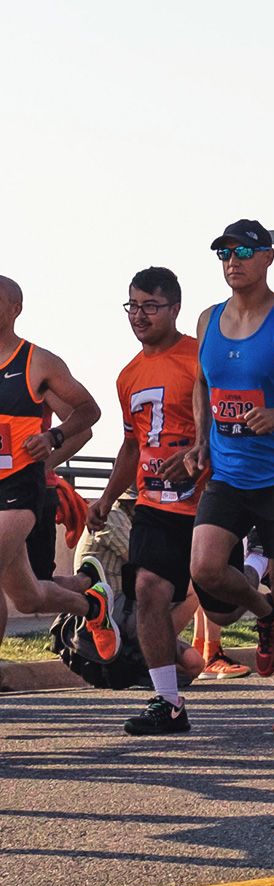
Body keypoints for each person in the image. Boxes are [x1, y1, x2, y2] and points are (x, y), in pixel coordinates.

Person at [180, 222, 274, 733]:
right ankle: (262, 613)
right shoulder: (207, 320)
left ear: (267, 258)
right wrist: (202, 441)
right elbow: (203, 385)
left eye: (244, 251)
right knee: (204, 568)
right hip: (227, 471)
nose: (232, 260)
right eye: (224, 251)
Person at [87, 268, 209, 734]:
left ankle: (264, 611)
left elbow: (225, 426)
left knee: (220, 601)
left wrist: (201, 461)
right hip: (155, 505)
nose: (139, 315)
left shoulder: (200, 358)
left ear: (174, 308)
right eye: (133, 306)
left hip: (209, 503)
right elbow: (131, 445)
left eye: (150, 306)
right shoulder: (128, 375)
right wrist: (106, 497)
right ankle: (168, 702)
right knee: (148, 592)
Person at [0, 274, 110, 657]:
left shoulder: (37, 363)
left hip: (20, 488)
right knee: (28, 597)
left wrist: (51, 442)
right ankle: (91, 605)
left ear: (15, 308)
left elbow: (88, 413)